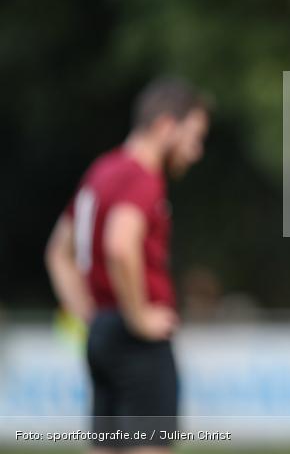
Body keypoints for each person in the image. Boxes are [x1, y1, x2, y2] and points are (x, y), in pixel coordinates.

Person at [45, 78, 210, 454]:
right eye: (193, 135)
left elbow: (58, 252)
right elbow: (120, 246)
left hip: (102, 334)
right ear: (166, 126)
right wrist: (137, 317)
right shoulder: (141, 176)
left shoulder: (103, 170)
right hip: (137, 343)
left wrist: (91, 315)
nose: (195, 150)